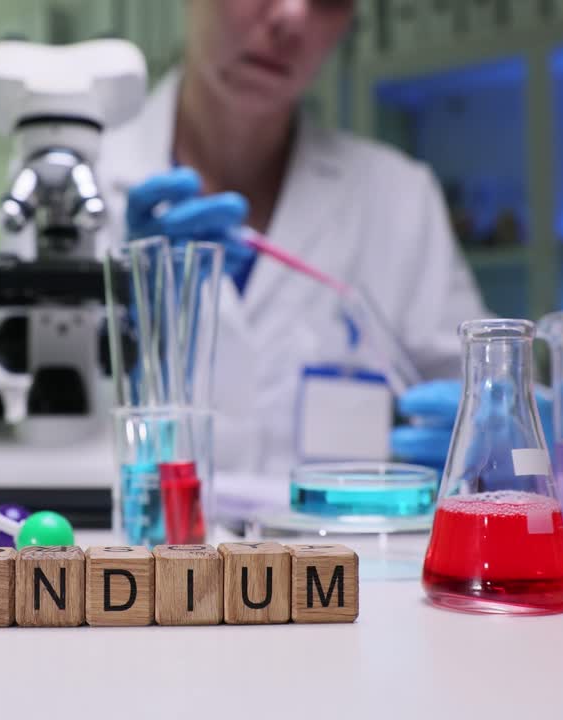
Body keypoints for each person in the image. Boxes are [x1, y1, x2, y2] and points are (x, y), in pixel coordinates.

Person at [96, 0, 490, 474]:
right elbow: (14, 423)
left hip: (341, 549)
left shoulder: (398, 197)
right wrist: (130, 329)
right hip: (130, 547)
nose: (292, 16)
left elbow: (478, 391)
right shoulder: (77, 185)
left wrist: (500, 430)